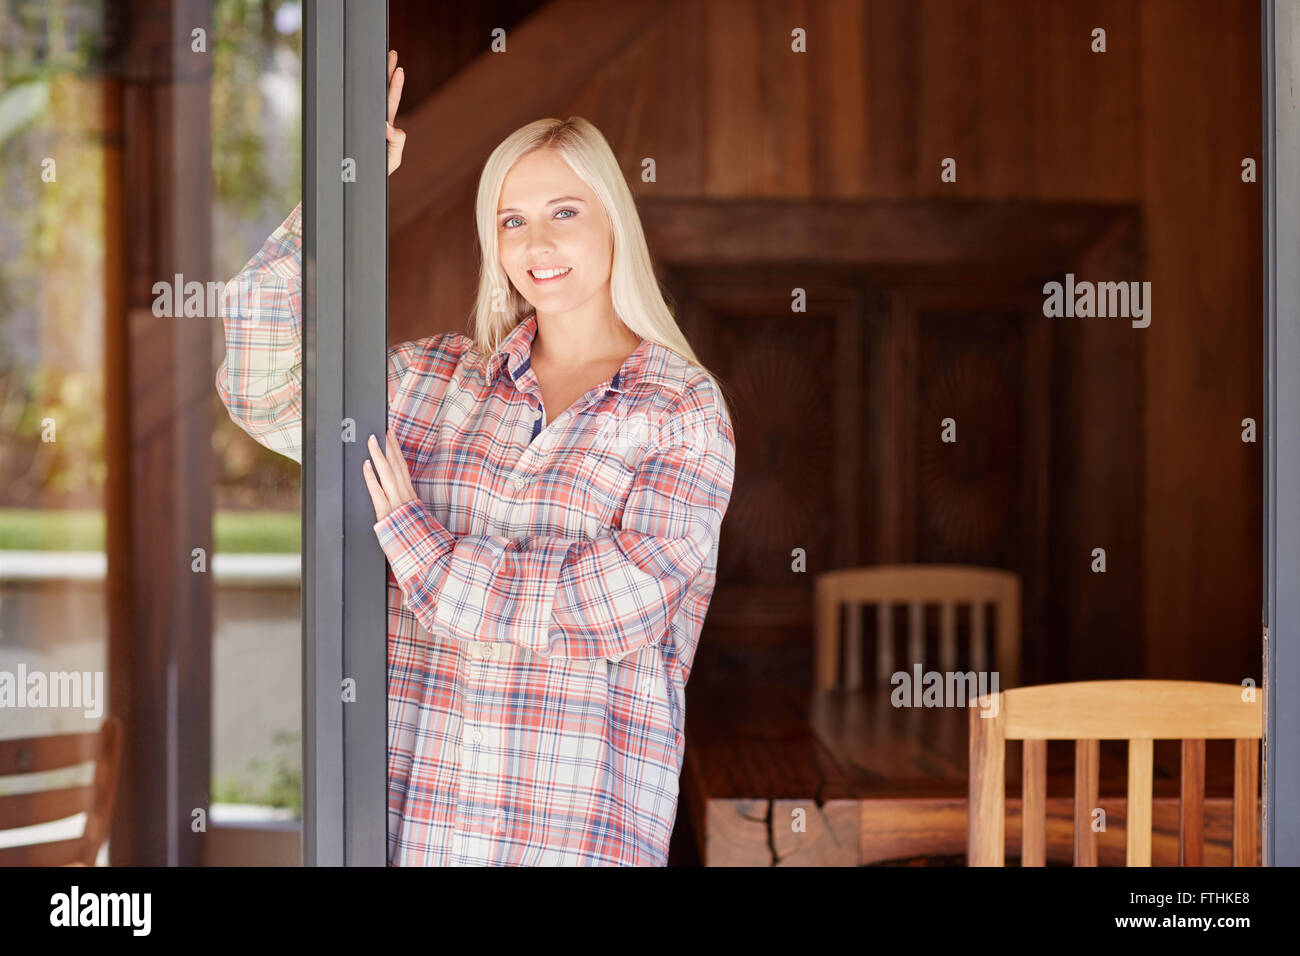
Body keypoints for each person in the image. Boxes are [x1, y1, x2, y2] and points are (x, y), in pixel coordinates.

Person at [216, 51, 736, 865]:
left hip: (570, 840)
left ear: (611, 222)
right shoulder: (433, 383)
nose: (537, 242)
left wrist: (424, 551)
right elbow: (263, 382)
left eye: (564, 212)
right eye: (511, 218)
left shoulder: (679, 409)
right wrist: (339, 192)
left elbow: (616, 605)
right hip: (407, 832)